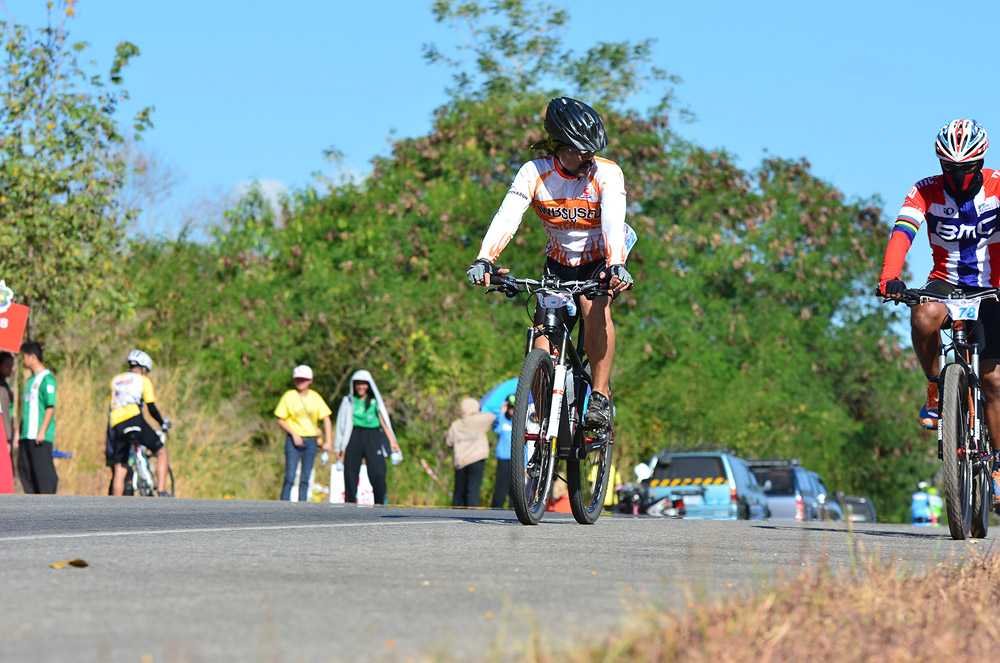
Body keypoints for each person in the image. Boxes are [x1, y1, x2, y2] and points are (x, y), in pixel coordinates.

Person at [466, 96, 634, 433]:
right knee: (542, 342)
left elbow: (614, 221)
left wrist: (616, 264)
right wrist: (485, 259)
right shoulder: (534, 173)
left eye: (592, 150)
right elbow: (507, 217)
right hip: (558, 264)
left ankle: (599, 396)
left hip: (601, 260)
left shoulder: (607, 173)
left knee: (594, 309)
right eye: (581, 150)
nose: (589, 157)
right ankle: (544, 431)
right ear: (560, 146)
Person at [877, 119, 1000, 499]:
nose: (958, 177)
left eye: (966, 169)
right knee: (923, 314)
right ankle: (936, 386)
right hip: (946, 282)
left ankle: (998, 463)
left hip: (993, 287)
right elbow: (903, 232)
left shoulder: (998, 186)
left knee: (994, 380)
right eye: (950, 168)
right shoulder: (924, 190)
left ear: (980, 163)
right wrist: (889, 276)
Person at [108, 350, 173, 497]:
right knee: (161, 452)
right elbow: (151, 407)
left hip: (117, 423)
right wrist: (162, 422)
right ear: (143, 369)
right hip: (134, 419)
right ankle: (162, 491)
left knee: (120, 466)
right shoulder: (143, 380)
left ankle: (115, 503)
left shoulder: (116, 379)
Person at [335, 370, 399, 505]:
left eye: (364, 384)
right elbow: (341, 425)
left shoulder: (375, 402)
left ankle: (380, 502)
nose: (361, 387)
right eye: (358, 384)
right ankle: (350, 503)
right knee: (350, 471)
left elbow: (384, 422)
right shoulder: (348, 401)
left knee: (378, 472)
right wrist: (338, 448)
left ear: (368, 385)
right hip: (354, 435)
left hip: (372, 436)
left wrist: (392, 441)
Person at [274, 364, 333, 501]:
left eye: (304, 379)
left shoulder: (315, 397)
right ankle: (283, 505)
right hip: (293, 440)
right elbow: (280, 419)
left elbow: (326, 418)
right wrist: (294, 434)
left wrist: (328, 442)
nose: (301, 382)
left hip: (311, 441)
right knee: (290, 476)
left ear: (310, 381)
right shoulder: (289, 396)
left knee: (306, 478)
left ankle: (302, 506)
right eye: (298, 379)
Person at [17, 341, 58, 494]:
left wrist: (42, 431)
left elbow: (50, 407)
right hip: (26, 435)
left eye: (24, 357)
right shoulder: (30, 381)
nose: (23, 361)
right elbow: (26, 409)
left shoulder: (47, 379)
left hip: (39, 437)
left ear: (32, 357)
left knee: (43, 475)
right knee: (26, 473)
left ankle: (48, 506)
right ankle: (32, 506)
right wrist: (18, 432)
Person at [446, 397, 495, 508]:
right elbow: (492, 416)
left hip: (461, 461)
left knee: (459, 491)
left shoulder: (456, 425)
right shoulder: (479, 420)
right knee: (473, 490)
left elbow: (449, 442)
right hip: (476, 459)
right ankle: (472, 512)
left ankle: (456, 511)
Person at [490, 395, 514, 509]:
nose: (512, 410)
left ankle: (514, 510)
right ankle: (496, 509)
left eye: (514, 407)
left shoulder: (521, 423)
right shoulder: (503, 420)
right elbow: (496, 430)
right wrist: (501, 413)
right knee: (500, 487)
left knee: (515, 489)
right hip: (503, 458)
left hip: (515, 460)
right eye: (510, 407)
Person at [0, 352, 13, 493]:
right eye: (7, 366)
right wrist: (7, 439)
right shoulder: (2, 388)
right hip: (4, 435)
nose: (11, 369)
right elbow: (3, 416)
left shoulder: (5, 385)